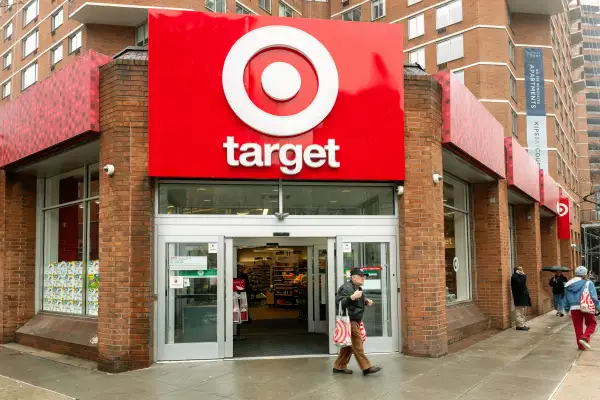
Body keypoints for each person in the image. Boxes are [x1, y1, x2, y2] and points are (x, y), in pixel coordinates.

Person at [333, 268, 381, 376]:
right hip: (350, 320)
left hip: (355, 319)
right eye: (361, 276)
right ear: (354, 277)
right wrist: (352, 297)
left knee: (348, 346)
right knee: (357, 344)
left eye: (364, 276)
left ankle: (339, 366)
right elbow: (339, 302)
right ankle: (367, 367)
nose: (363, 278)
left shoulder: (356, 287)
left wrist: (365, 301)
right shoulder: (346, 288)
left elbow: (358, 299)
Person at [564, 266, 600, 351]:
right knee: (592, 323)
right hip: (586, 306)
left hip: (573, 308)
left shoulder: (568, 284)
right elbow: (593, 297)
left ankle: (581, 347)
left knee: (578, 327)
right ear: (585, 274)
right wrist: (598, 306)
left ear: (575, 273)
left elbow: (565, 298)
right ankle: (584, 338)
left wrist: (566, 309)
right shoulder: (588, 283)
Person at [511, 266, 532, 331]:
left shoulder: (519, 276)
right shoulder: (514, 276)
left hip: (522, 296)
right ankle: (519, 325)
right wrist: (523, 275)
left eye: (522, 269)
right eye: (521, 269)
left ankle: (521, 324)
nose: (522, 271)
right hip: (518, 296)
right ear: (517, 270)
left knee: (522, 311)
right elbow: (521, 284)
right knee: (519, 311)